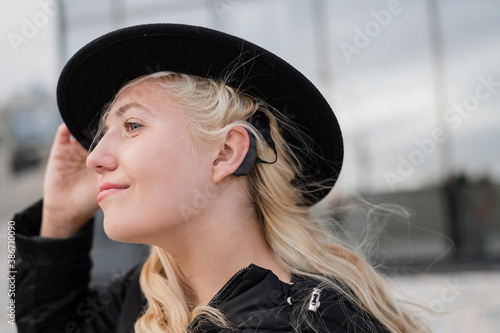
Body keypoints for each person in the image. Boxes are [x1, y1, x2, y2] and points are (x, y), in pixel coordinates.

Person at [12, 24, 428, 333]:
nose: (95, 158)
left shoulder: (307, 323)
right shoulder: (145, 299)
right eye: (104, 135)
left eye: (133, 125)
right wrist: (60, 218)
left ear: (226, 153)